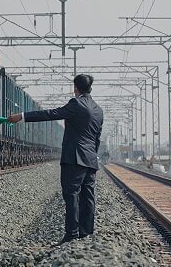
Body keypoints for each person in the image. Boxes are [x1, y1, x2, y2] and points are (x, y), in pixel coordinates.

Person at [8, 74, 103, 244]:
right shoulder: (98, 110)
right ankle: (86, 232)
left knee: (71, 195)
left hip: (74, 159)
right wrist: (92, 156)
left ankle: (72, 234)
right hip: (90, 159)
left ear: (76, 88)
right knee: (88, 196)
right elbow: (97, 138)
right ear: (90, 88)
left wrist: (22, 116)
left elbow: (51, 114)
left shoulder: (76, 104)